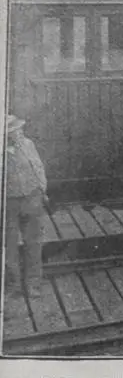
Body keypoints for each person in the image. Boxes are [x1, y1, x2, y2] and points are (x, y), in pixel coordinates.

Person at [5, 115, 48, 299]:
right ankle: (13, 285)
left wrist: (42, 191)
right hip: (9, 203)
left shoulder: (28, 144)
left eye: (20, 129)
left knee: (34, 242)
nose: (19, 133)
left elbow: (38, 168)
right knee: (9, 246)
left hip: (32, 198)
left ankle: (34, 284)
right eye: (15, 130)